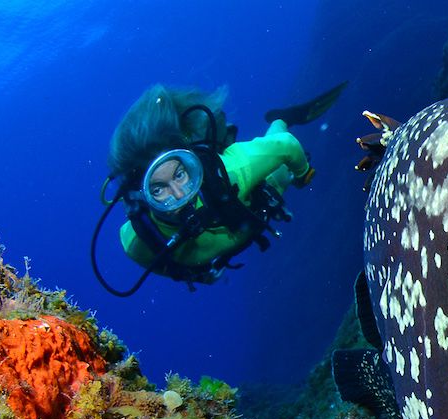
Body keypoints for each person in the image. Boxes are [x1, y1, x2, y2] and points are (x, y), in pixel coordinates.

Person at [92, 82, 345, 295]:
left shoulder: (232, 169)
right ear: (142, 195)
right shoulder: (138, 241)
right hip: (238, 230)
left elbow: (285, 145)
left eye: (180, 174)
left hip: (256, 202)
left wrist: (303, 175)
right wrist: (196, 275)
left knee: (282, 174)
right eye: (158, 189)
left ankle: (280, 118)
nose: (180, 196)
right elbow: (166, 267)